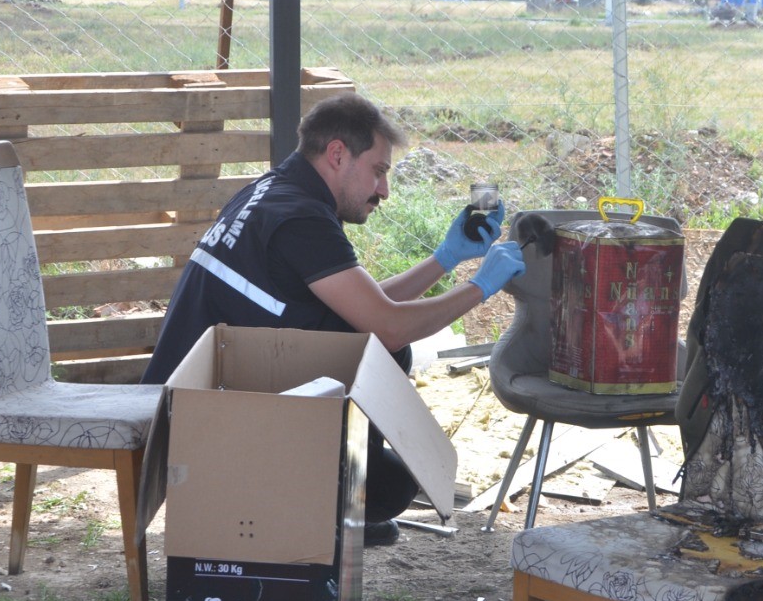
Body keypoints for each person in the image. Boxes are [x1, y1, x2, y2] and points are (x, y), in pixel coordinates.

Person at [142, 92, 524, 546]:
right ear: (338, 154)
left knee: (369, 353)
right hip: (211, 432)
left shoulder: (274, 193)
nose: (383, 190)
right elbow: (389, 326)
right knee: (388, 482)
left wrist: (445, 259)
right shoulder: (301, 218)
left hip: (194, 406)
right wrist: (480, 286)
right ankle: (321, 513)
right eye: (379, 172)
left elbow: (365, 308)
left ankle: (329, 505)